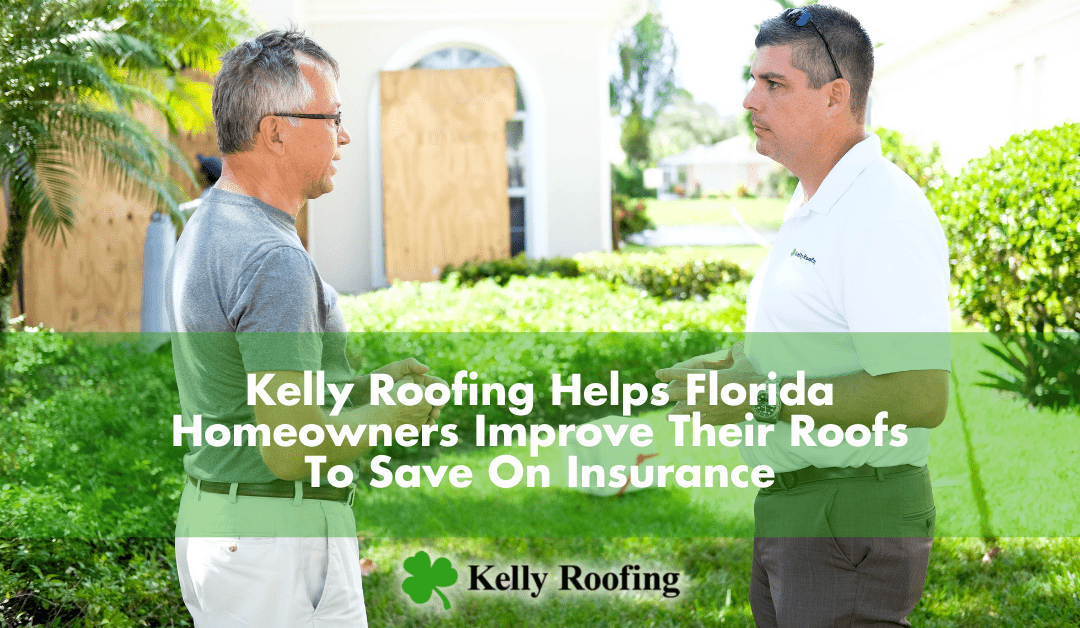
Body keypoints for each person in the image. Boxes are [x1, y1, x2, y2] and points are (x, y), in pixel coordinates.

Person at [657, 5, 950, 627]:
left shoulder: (882, 210)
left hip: (846, 518)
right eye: (753, 78)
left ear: (834, 95)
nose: (747, 99)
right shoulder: (816, 198)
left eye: (773, 83)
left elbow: (919, 394)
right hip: (800, 508)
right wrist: (738, 369)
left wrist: (757, 399)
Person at [167, 29, 441, 627]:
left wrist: (363, 390)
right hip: (278, 549)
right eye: (332, 117)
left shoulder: (210, 224)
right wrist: (396, 416)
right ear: (275, 130)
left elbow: (245, 396)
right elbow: (292, 448)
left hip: (224, 528)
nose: (343, 136)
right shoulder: (273, 256)